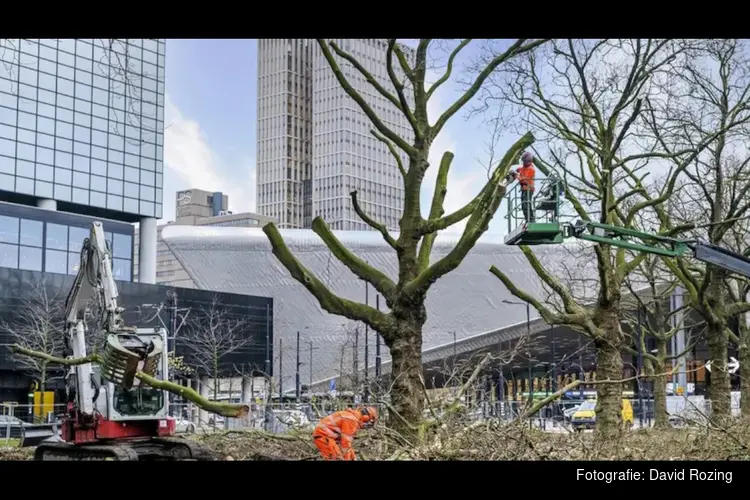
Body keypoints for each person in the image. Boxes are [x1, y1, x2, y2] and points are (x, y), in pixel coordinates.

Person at [312, 406, 378, 461]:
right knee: (335, 458)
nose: (366, 424)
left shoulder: (352, 416)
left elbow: (348, 445)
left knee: (338, 457)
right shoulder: (351, 420)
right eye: (368, 421)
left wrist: (353, 457)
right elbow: (345, 444)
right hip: (324, 436)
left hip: (327, 437)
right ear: (366, 416)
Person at [515, 151, 536, 222]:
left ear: (529, 161)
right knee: (524, 205)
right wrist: (517, 170)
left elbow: (524, 180)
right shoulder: (525, 167)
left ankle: (530, 220)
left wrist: (516, 175)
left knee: (526, 205)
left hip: (528, 188)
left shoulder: (531, 169)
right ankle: (528, 219)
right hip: (524, 189)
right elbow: (522, 169)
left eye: (525, 161)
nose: (523, 163)